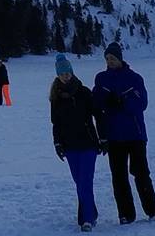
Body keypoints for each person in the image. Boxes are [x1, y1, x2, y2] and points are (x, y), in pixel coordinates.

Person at [93, 42, 155, 224]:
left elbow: (142, 103)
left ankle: (152, 210)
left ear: (120, 59)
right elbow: (96, 103)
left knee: (141, 174)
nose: (110, 62)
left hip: (135, 135)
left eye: (113, 59)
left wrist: (123, 103)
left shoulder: (134, 78)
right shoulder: (101, 78)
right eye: (107, 59)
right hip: (114, 136)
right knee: (119, 177)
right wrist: (105, 101)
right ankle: (125, 214)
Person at [51, 54, 102, 231]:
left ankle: (87, 219)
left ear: (72, 72)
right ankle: (92, 213)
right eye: (62, 73)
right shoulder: (56, 97)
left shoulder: (84, 92)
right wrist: (58, 144)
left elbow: (98, 116)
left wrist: (102, 138)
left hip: (88, 143)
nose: (65, 76)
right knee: (79, 182)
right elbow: (55, 124)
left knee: (85, 181)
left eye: (68, 72)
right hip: (70, 146)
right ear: (58, 75)